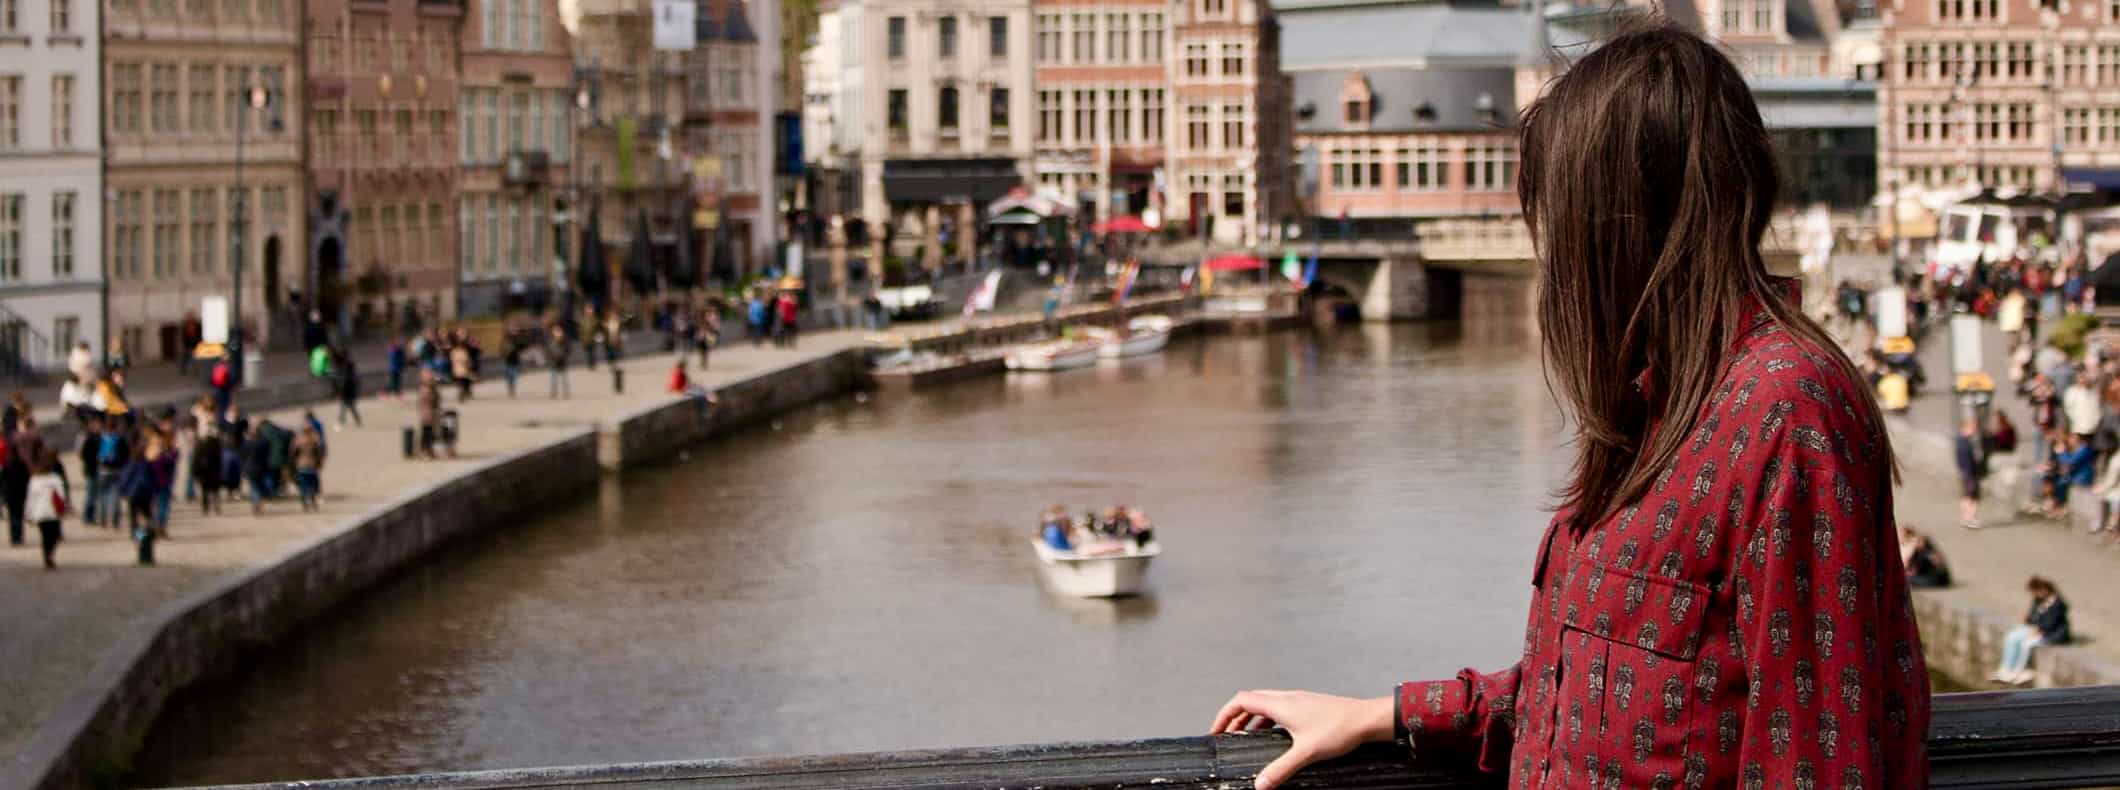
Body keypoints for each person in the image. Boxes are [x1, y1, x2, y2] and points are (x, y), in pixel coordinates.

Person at [1208, 28, 1928, 790]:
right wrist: (1379, 714)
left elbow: (1819, 757)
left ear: (1618, 224)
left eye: (1556, 219)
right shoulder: (1661, 404)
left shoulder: (1786, 414)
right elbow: (1585, 689)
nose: (1549, 257)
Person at [1993, 576, 2071, 685]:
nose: (2034, 595)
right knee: (2012, 637)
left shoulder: (2058, 604)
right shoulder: (2038, 600)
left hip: (2053, 634)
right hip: (2037, 629)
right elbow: (2033, 616)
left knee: (2026, 643)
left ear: (2043, 590)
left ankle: (2018, 670)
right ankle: (2006, 668)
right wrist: (2027, 619)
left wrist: (2039, 629)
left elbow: (2052, 623)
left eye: (2035, 592)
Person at [25, 448, 67, 569]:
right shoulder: (55, 479)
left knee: (45, 536)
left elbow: (30, 498)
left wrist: (29, 513)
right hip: (52, 512)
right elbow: (61, 496)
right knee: (53, 535)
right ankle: (49, 555)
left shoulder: (35, 480)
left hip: (40, 512)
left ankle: (47, 556)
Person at [1956, 418, 1987, 529]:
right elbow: (1970, 458)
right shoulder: (1966, 442)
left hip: (1965, 473)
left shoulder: (1959, 440)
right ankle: (1971, 518)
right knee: (1973, 496)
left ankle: (1965, 518)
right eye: (1973, 428)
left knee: (1965, 495)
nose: (1975, 430)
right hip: (1970, 473)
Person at [291, 425, 325, 512]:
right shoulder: (314, 441)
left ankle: (305, 505)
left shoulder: (298, 441)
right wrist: (319, 464)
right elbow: (318, 454)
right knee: (313, 485)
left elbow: (293, 454)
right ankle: (313, 503)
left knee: (303, 486)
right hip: (312, 466)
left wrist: (294, 463)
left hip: (301, 466)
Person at [335, 349, 362, 427]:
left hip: (347, 392)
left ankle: (341, 421)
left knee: (346, 407)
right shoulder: (349, 368)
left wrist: (341, 391)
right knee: (348, 407)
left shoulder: (346, 368)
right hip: (350, 391)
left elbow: (345, 382)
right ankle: (357, 421)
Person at [547, 324, 572, 399]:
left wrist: (564, 356)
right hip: (554, 362)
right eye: (555, 331)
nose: (557, 333)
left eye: (559, 331)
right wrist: (550, 357)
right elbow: (548, 351)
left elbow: (568, 350)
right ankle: (553, 392)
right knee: (554, 378)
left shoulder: (565, 341)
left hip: (562, 362)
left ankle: (566, 392)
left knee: (564, 378)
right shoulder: (550, 341)